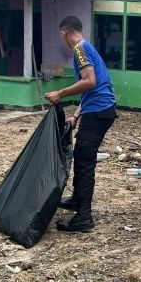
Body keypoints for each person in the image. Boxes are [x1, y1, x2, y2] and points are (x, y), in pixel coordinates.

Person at [45, 16, 117, 233]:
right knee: (82, 154)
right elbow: (93, 87)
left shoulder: (79, 49)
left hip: (99, 112)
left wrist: (61, 93)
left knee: (85, 161)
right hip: (100, 109)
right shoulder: (87, 47)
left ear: (63, 33)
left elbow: (89, 81)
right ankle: (77, 199)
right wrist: (76, 115)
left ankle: (84, 216)